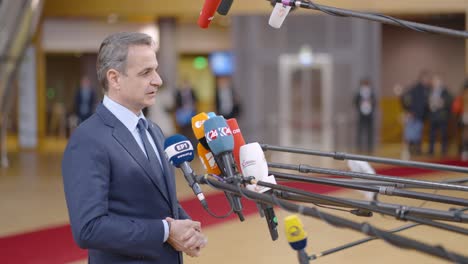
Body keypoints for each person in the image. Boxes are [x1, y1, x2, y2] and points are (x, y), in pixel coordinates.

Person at [62, 32, 207, 263]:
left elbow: (156, 199)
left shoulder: (154, 131)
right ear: (115, 78)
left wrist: (186, 229)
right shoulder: (88, 139)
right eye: (146, 72)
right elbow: (89, 228)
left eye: (155, 70)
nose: (158, 80)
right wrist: (166, 232)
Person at [401, 70, 431, 155]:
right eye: (425, 78)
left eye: (428, 78)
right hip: (413, 115)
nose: (427, 80)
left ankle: (417, 150)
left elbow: (425, 104)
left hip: (420, 116)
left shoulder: (428, 89)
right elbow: (405, 98)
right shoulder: (415, 89)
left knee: (418, 134)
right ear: (421, 78)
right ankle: (410, 150)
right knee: (410, 134)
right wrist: (408, 111)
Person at [427, 74, 452, 156]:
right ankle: (431, 150)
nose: (435, 83)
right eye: (434, 81)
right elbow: (426, 101)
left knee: (443, 134)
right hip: (433, 115)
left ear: (440, 82)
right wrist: (430, 104)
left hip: (442, 116)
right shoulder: (430, 91)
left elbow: (450, 100)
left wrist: (442, 102)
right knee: (431, 134)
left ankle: (444, 149)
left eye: (437, 81)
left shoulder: (445, 91)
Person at [353, 78, 376, 153]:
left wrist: (371, 102)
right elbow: (355, 102)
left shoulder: (371, 93)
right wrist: (360, 103)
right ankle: (359, 147)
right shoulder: (358, 93)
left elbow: (375, 102)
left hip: (369, 115)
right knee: (360, 131)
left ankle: (370, 147)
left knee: (370, 132)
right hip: (361, 115)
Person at [174, 79, 197, 144]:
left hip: (191, 112)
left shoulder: (192, 91)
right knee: (183, 129)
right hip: (182, 113)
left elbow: (195, 100)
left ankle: (192, 142)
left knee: (191, 129)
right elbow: (177, 103)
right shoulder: (179, 92)